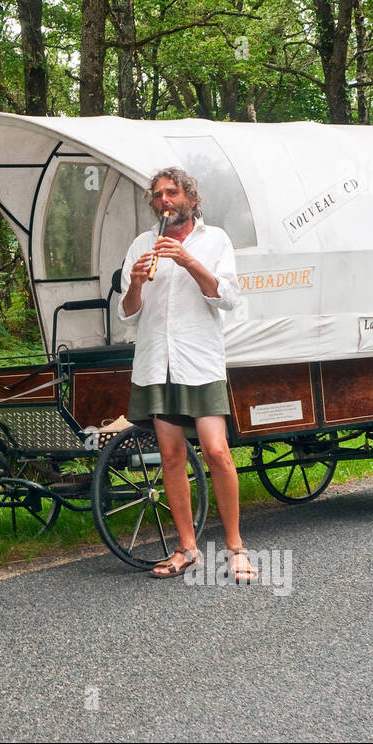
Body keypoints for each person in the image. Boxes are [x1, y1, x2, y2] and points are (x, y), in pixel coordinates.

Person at [116, 167, 257, 582]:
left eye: (172, 193)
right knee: (173, 458)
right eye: (158, 195)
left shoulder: (215, 240)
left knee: (216, 452)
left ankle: (236, 549)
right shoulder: (142, 244)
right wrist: (137, 283)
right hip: (157, 361)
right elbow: (129, 313)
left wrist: (188, 260)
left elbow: (227, 297)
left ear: (191, 200)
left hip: (199, 360)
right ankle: (186, 548)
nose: (164, 201)